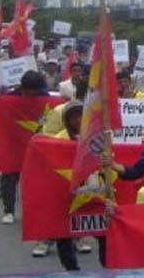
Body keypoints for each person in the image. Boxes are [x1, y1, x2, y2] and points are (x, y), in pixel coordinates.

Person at [51, 100, 113, 269]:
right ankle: (72, 271)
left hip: (96, 194)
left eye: (82, 116)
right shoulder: (57, 141)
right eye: (73, 117)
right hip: (68, 198)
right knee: (63, 234)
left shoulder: (100, 138)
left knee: (105, 235)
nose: (78, 120)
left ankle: (107, 269)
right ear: (66, 120)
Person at [0, 70, 49, 225]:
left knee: (39, 182)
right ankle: (8, 210)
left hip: (37, 147)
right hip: (14, 145)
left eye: (34, 91)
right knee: (9, 178)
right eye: (28, 90)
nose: (30, 94)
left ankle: (37, 211)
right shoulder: (11, 97)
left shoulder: (46, 98)